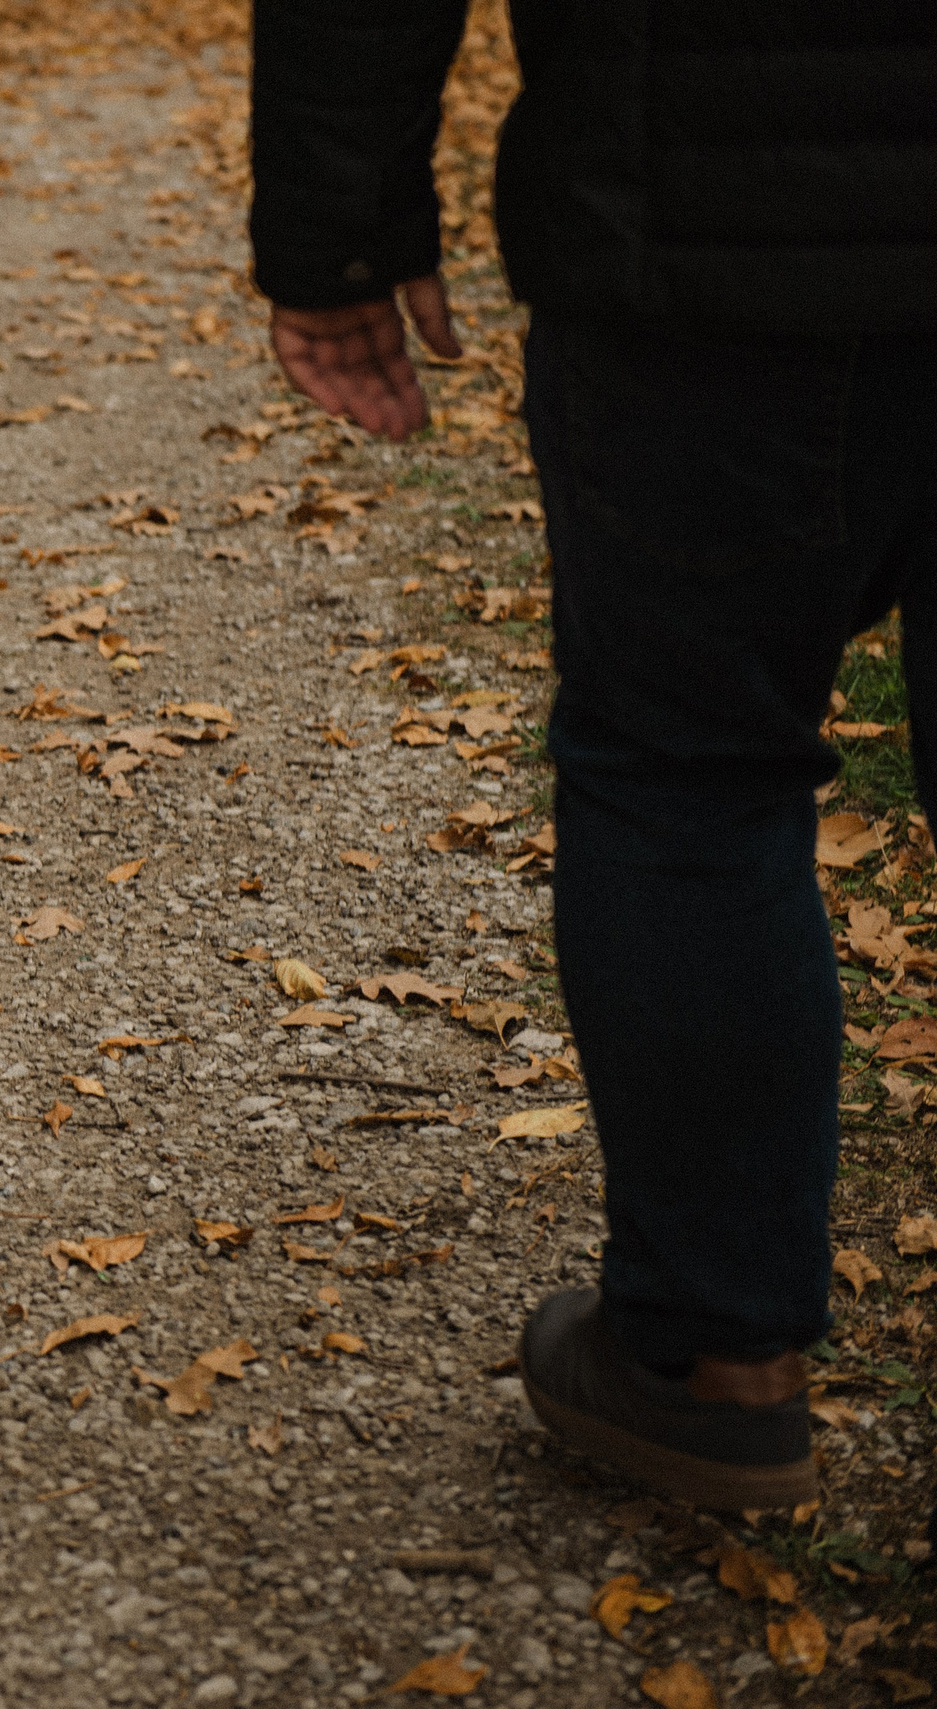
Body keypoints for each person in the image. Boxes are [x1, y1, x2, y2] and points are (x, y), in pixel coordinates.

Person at [249, 2, 937, 1510]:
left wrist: (340, 227)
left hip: (711, 231)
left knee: (691, 774)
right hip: (708, 219)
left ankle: (716, 1367)